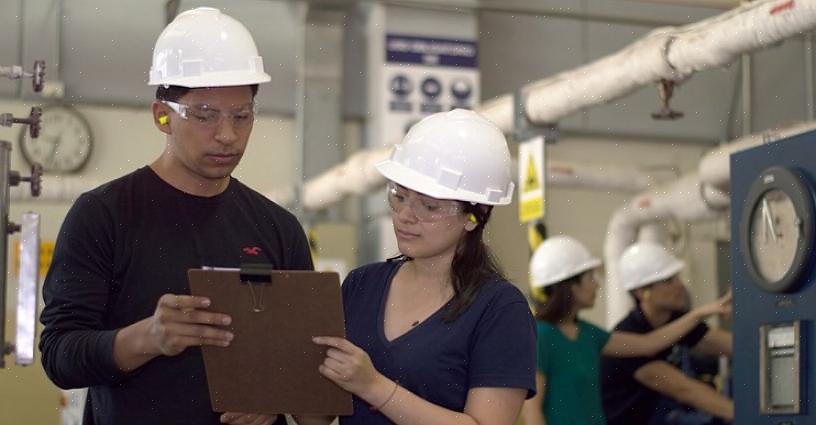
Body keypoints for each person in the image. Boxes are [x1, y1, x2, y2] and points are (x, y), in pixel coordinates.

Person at [39, 8, 311, 425]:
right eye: (204, 115)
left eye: (242, 116)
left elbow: (304, 361)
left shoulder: (279, 228)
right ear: (162, 116)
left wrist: (275, 398)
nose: (227, 135)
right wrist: (147, 337)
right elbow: (60, 355)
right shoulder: (104, 215)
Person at [295, 109, 537, 425]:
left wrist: (373, 386)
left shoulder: (500, 309)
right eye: (400, 196)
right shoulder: (361, 286)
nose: (405, 215)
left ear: (473, 216)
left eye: (429, 206)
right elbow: (314, 417)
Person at [520, 236, 731, 425]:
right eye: (590, 278)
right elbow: (532, 414)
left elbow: (650, 343)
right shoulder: (541, 336)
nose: (597, 285)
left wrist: (700, 313)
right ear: (571, 285)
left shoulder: (589, 334)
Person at [600, 242, 733, 425]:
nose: (680, 285)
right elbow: (682, 389)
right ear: (642, 292)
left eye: (676, 277)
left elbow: (731, 345)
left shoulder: (676, 321)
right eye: (668, 281)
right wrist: (747, 414)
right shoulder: (629, 336)